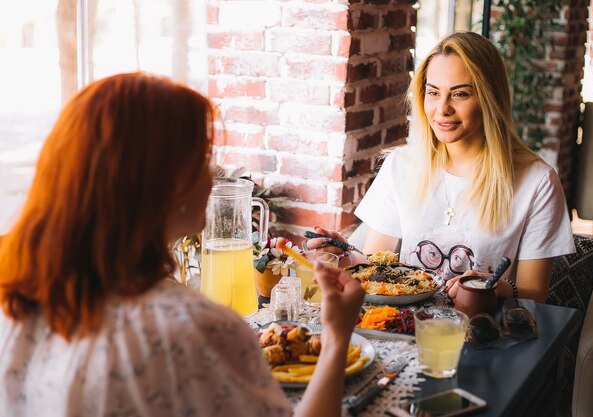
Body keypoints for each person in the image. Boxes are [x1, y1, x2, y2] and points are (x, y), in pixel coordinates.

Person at [0, 72, 364, 417]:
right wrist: (335, 335)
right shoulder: (197, 328)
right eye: (203, 160)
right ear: (168, 184)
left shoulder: (15, 292)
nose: (211, 177)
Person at [308, 31, 574, 303]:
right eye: (433, 92)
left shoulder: (537, 181)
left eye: (459, 94)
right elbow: (377, 269)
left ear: (489, 98)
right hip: (402, 327)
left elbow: (534, 297)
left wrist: (493, 288)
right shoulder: (401, 166)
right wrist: (343, 256)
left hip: (482, 332)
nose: (442, 109)